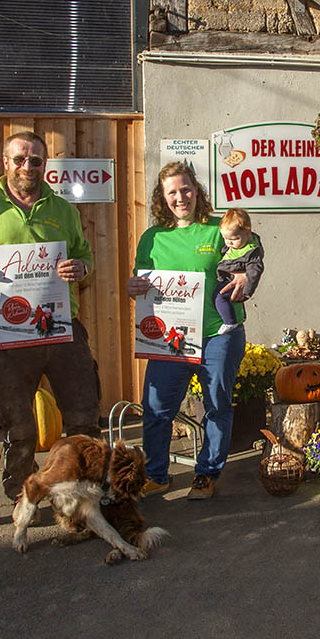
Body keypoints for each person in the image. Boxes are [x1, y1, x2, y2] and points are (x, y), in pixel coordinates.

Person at [0, 131, 101, 502]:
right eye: (19, 159)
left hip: (61, 330)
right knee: (21, 425)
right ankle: (21, 488)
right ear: (5, 162)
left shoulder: (63, 211)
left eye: (35, 160)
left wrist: (81, 268)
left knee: (83, 414)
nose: (27, 166)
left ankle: (84, 485)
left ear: (44, 164)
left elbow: (85, 257)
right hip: (6, 335)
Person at [127, 162, 250, 500]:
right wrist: (133, 286)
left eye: (186, 189)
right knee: (156, 408)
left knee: (217, 405)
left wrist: (246, 277)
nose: (180, 197)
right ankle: (156, 474)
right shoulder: (153, 237)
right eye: (172, 192)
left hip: (218, 334)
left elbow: (252, 253)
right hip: (171, 339)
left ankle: (207, 473)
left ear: (196, 190)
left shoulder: (219, 228)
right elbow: (141, 279)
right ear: (161, 198)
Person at [214, 208, 264, 334]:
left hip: (234, 282)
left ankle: (230, 322)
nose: (229, 242)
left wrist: (247, 292)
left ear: (247, 233)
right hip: (228, 279)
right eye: (226, 238)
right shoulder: (236, 245)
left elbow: (254, 272)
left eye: (234, 238)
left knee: (219, 298)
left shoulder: (250, 251)